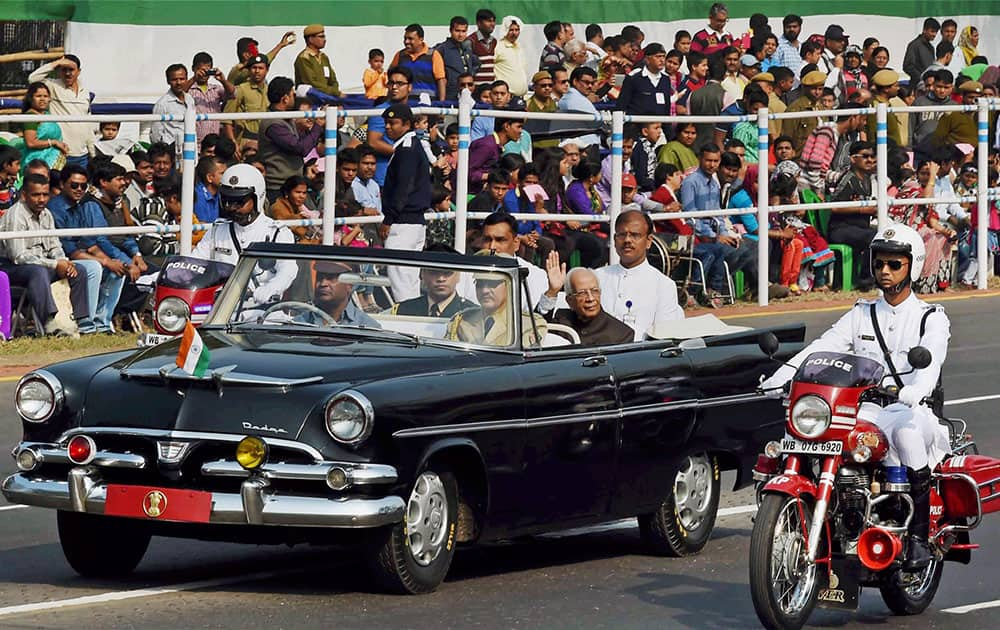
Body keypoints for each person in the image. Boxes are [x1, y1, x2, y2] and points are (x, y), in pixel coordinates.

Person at [762, 224, 950, 571]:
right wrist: (779, 378)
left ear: (914, 266)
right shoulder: (862, 313)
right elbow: (823, 346)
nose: (885, 271)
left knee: (907, 436)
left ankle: (919, 541)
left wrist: (916, 389)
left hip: (911, 409)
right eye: (879, 264)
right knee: (808, 433)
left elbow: (932, 356)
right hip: (867, 409)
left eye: (895, 264)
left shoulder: (930, 316)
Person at [0, 173, 98, 335]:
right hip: (11, 267)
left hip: (41, 265)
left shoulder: (46, 214)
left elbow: (54, 246)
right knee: (37, 272)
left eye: (45, 195)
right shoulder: (16, 215)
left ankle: (81, 322)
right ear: (24, 195)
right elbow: (19, 256)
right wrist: (54, 264)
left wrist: (63, 261)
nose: (41, 199)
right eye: (36, 195)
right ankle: (50, 325)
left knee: (78, 270)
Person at [192, 164, 296, 307]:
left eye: (239, 202)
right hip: (220, 311)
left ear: (257, 198)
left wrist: (270, 289)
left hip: (261, 311)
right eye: (227, 201)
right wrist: (159, 276)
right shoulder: (217, 231)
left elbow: (288, 270)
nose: (232, 208)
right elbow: (193, 263)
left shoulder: (277, 233)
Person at [379, 104, 430, 301]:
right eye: (386, 123)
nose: (388, 127)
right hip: (414, 223)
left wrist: (389, 218)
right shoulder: (409, 146)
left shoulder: (406, 150)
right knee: (409, 279)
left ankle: (405, 320)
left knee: (400, 280)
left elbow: (404, 186)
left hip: (403, 222)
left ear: (407, 124)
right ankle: (413, 314)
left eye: (393, 123)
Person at [446, 257, 546, 347]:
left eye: (492, 284)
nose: (485, 290)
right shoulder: (461, 321)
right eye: (480, 284)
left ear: (509, 286)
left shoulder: (528, 324)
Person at [257, 76, 323, 202]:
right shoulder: (273, 123)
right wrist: (318, 125)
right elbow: (299, 148)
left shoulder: (286, 118)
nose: (295, 98)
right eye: (293, 95)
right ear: (285, 99)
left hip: (293, 184)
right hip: (278, 189)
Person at [27, 55, 92, 169]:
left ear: (78, 71)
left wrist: (92, 151)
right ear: (59, 71)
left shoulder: (85, 92)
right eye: (64, 69)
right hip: (61, 153)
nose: (68, 73)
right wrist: (56, 63)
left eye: (71, 69)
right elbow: (32, 78)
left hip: (83, 154)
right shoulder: (52, 86)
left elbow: (88, 123)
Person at [829, 140, 879, 290]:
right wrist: (861, 210)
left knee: (883, 234)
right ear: (853, 159)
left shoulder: (867, 180)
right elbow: (834, 208)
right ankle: (865, 280)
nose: (870, 160)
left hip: (858, 228)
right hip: (840, 229)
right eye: (865, 156)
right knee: (873, 236)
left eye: (872, 156)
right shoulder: (847, 179)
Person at [543, 267, 634, 346]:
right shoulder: (561, 321)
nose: (590, 298)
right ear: (569, 301)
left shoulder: (621, 334)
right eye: (582, 293)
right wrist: (552, 292)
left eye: (595, 291)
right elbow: (534, 331)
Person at [222, 54, 270, 155]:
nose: (257, 71)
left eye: (260, 68)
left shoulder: (270, 91)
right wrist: (233, 142)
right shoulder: (241, 90)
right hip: (246, 141)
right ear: (249, 70)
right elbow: (227, 118)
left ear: (267, 70)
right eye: (254, 68)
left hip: (266, 141)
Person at [18, 82, 69, 170]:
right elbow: (30, 143)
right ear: (31, 98)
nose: (42, 99)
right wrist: (54, 142)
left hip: (54, 162)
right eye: (38, 96)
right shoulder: (31, 116)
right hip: (37, 163)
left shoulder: (47, 115)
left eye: (45, 96)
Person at [188, 52, 235, 145]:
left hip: (215, 142)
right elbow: (180, 94)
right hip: (195, 142)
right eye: (200, 70)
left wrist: (223, 80)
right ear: (193, 69)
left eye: (207, 70)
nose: (203, 74)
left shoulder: (216, 89)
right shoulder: (189, 89)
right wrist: (194, 78)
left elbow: (232, 94)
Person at [391, 23, 447, 101]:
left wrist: (441, 103)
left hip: (429, 105)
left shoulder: (434, 55)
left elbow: (441, 81)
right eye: (405, 38)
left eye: (410, 39)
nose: (406, 42)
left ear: (421, 39)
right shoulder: (399, 55)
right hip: (405, 105)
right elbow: (391, 79)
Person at [390, 267, 476, 317]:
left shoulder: (471, 314)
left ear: (458, 276)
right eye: (434, 272)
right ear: (422, 274)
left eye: (447, 273)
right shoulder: (404, 310)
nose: (441, 279)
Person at [617, 43, 672, 116]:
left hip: (659, 124)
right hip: (637, 124)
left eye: (663, 56)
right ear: (647, 59)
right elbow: (621, 105)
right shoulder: (634, 78)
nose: (662, 60)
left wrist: (666, 127)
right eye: (658, 56)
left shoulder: (666, 79)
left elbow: (666, 108)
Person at [151, 63, 195, 150]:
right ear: (168, 81)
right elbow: (155, 135)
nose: (178, 82)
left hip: (190, 149)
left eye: (182, 79)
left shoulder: (190, 99)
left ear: (186, 79)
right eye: (174, 79)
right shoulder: (162, 104)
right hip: (172, 151)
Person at [782, 70, 827, 155]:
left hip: (820, 155)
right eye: (814, 89)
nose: (817, 92)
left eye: (820, 89)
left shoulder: (822, 107)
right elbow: (788, 135)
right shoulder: (795, 108)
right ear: (805, 89)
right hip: (800, 157)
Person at [436, 16, 479, 102]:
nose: (460, 34)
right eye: (457, 31)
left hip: (468, 95)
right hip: (450, 95)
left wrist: (471, 75)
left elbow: (477, 64)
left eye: (463, 31)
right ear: (450, 30)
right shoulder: (442, 49)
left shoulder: (467, 49)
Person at [294, 24, 341, 97]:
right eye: (321, 37)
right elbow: (312, 84)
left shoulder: (324, 57)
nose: (324, 39)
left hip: (328, 97)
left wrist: (334, 91)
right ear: (310, 39)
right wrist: (334, 92)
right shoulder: (303, 58)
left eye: (324, 36)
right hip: (310, 101)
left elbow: (333, 79)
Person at [494, 15, 528, 97]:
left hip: (521, 97)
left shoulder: (519, 48)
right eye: (511, 30)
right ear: (505, 31)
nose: (514, 33)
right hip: (505, 98)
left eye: (517, 30)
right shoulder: (498, 47)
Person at [470, 8, 498, 85]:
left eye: (493, 21)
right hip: (477, 89)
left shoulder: (494, 41)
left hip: (491, 89)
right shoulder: (471, 41)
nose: (492, 24)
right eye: (489, 21)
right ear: (479, 23)